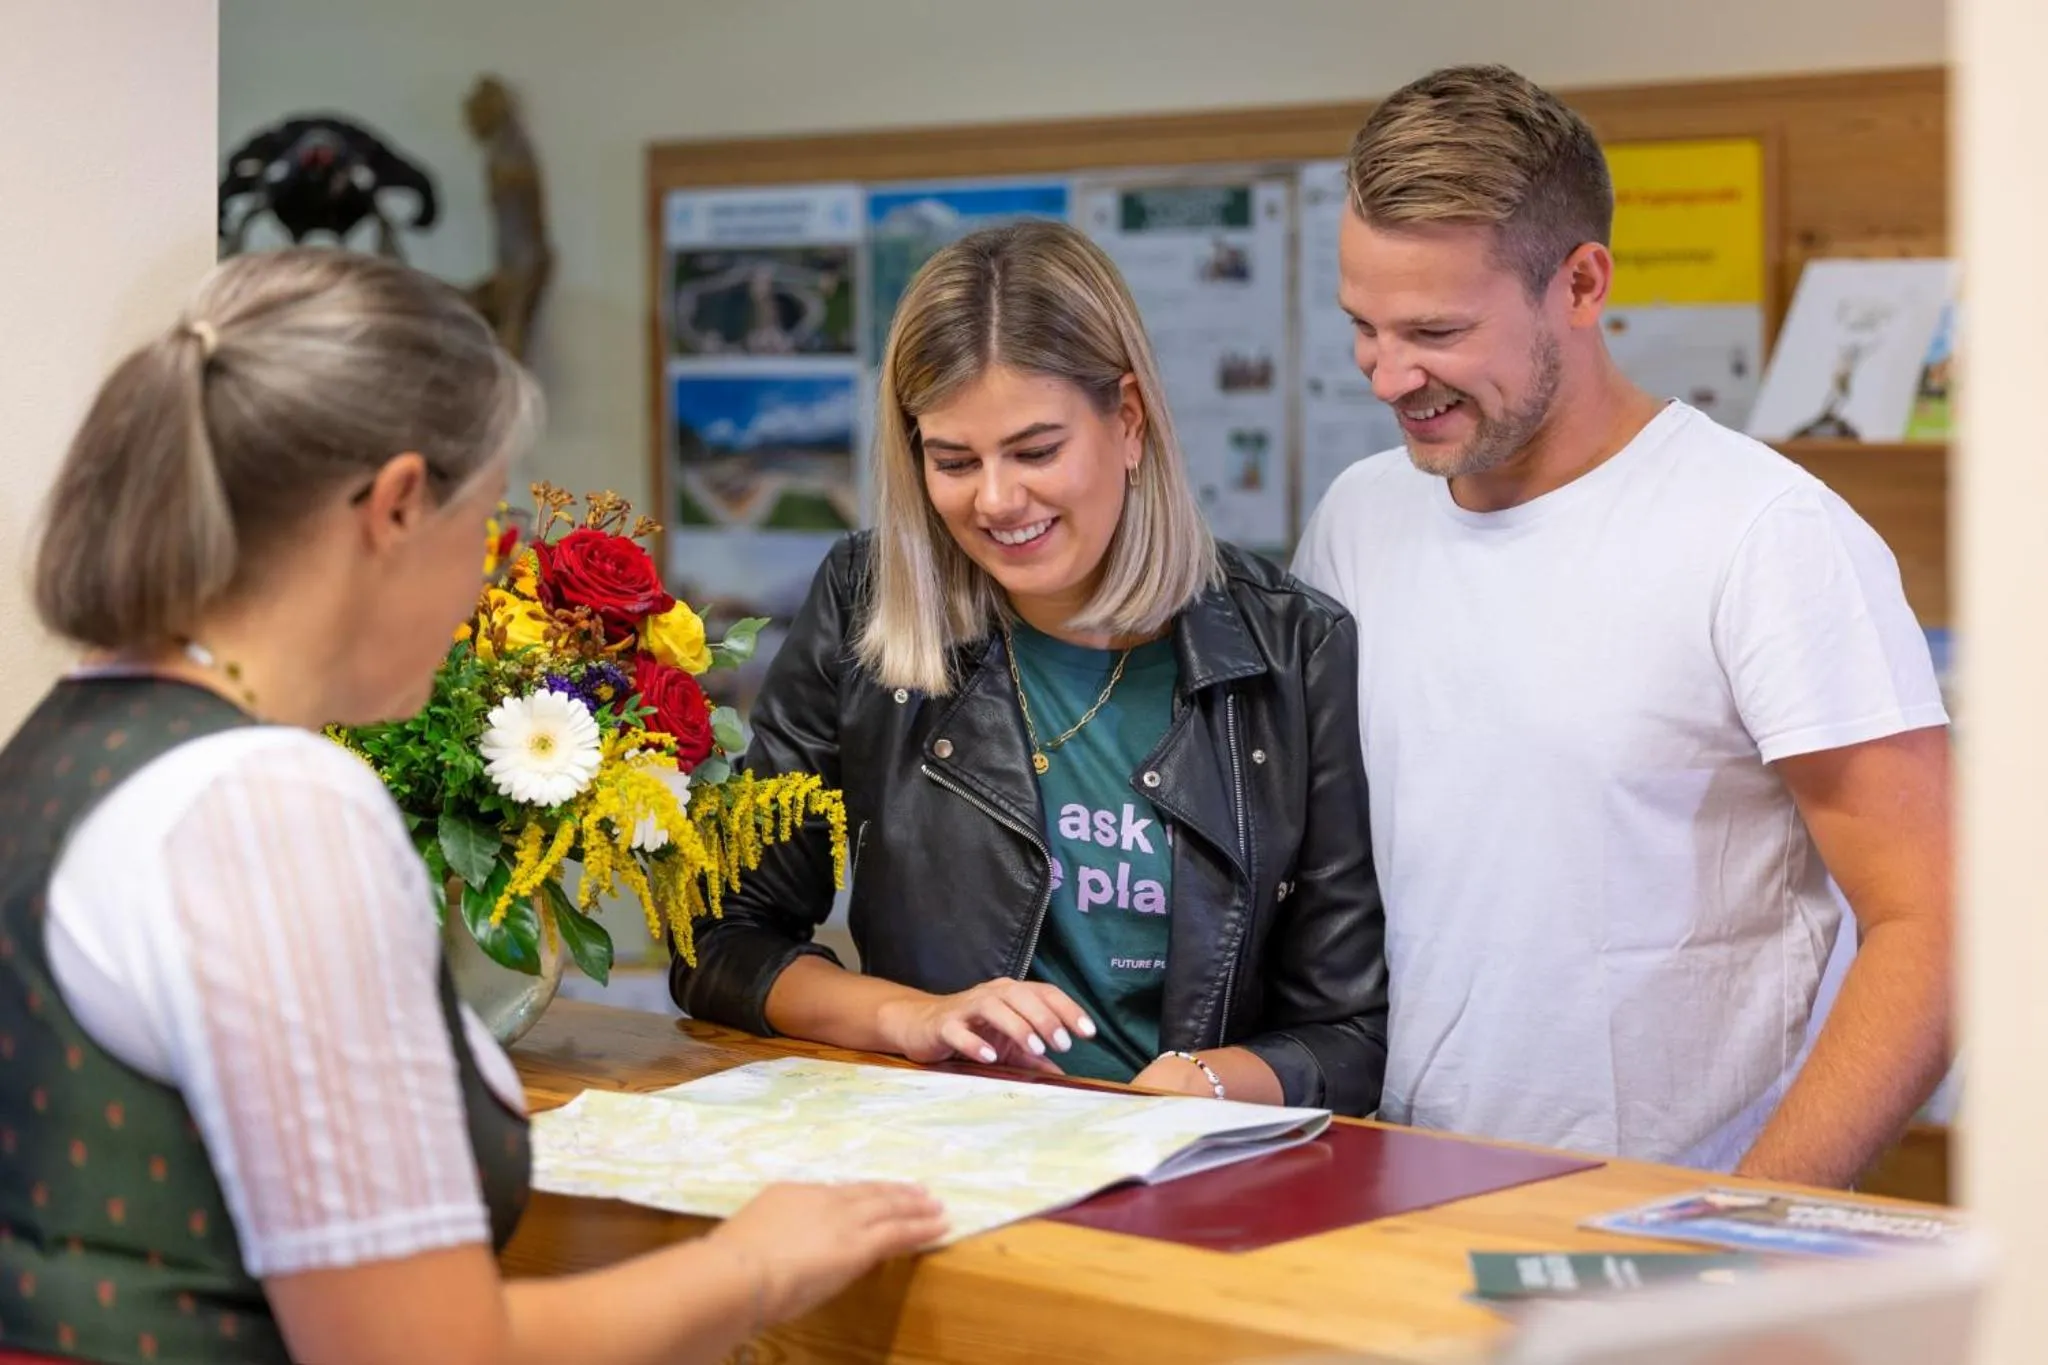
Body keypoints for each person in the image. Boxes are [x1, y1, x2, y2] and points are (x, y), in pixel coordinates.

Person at [0, 248, 944, 1365]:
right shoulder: (268, 808)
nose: (479, 585)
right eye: (484, 523)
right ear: (398, 505)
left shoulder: (64, 742)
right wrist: (756, 1267)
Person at [1291, 65, 1952, 1184]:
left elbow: (1936, 925)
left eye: (1435, 331)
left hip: (1658, 1239)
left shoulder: (1763, 536)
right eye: (1362, 326)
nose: (1386, 374)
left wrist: (1740, 1233)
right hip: (1388, 1197)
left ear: (1581, 284)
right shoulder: (1360, 515)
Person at [671, 220, 1388, 1116]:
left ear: (1127, 420)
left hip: (1189, 1179)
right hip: (948, 1158)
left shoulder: (1293, 648)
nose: (998, 500)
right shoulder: (866, 601)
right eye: (954, 460)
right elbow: (721, 941)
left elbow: (1349, 1036)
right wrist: (914, 1017)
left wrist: (1198, 1082)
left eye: (1036, 450)